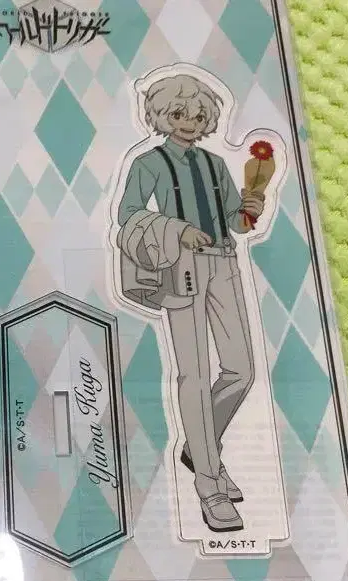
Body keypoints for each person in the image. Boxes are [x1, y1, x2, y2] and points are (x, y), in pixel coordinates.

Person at [116, 73, 266, 533]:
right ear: (161, 115)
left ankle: (199, 447)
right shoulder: (149, 163)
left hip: (224, 265)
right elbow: (127, 216)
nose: (189, 122)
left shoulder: (216, 164)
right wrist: (176, 229)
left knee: (242, 369)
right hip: (180, 266)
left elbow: (234, 222)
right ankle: (209, 481)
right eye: (178, 113)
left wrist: (249, 210)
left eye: (198, 116)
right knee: (194, 373)